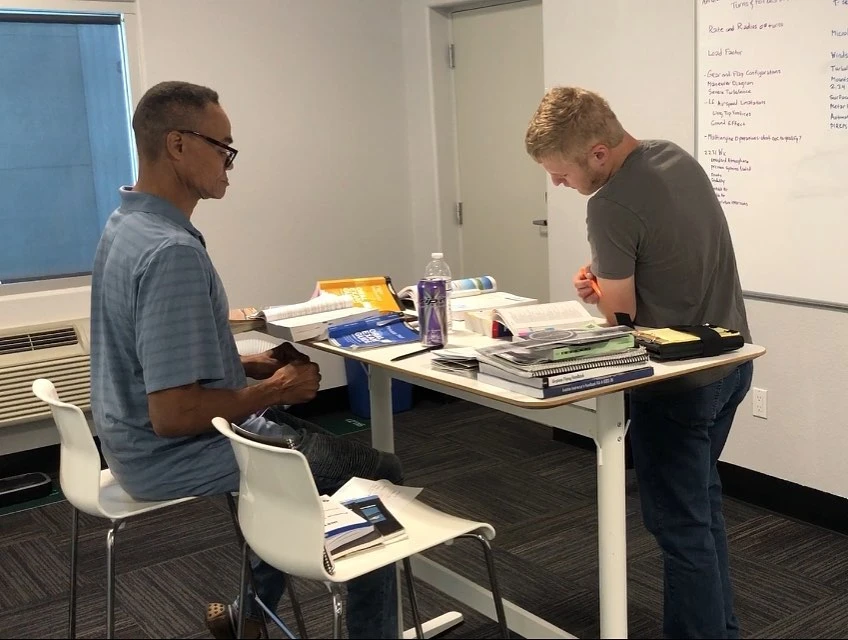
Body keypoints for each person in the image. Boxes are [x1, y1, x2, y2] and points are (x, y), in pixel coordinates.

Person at [89, 80, 402, 640]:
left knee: (294, 443)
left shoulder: (126, 225)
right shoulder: (172, 252)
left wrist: (253, 371)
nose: (231, 164)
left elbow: (155, 357)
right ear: (179, 145)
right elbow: (175, 413)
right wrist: (276, 389)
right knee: (377, 473)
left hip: (126, 440)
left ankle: (248, 620)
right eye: (223, 147)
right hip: (168, 451)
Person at [525, 86, 753, 640]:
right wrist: (605, 276)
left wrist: (598, 293)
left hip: (678, 384)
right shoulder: (675, 157)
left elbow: (621, 325)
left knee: (680, 526)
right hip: (734, 360)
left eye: (562, 173)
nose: (558, 184)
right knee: (703, 507)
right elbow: (669, 253)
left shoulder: (608, 205)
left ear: (598, 153)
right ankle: (720, 629)